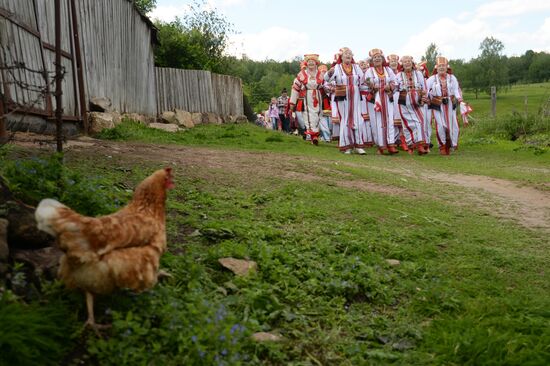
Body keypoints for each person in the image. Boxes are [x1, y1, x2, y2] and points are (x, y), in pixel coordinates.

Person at [324, 47, 366, 154]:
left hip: (355, 95)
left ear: (352, 56)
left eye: (350, 54)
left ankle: (358, 145)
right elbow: (326, 79)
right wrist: (329, 73)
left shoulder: (356, 67)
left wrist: (368, 86)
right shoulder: (337, 67)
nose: (348, 55)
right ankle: (347, 146)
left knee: (357, 119)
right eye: (345, 54)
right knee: (345, 119)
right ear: (341, 57)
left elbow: (363, 81)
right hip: (343, 95)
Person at [364, 48, 399, 154]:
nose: (377, 59)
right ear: (372, 60)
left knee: (389, 121)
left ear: (383, 59)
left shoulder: (388, 70)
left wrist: (390, 86)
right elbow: (366, 82)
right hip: (376, 99)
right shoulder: (369, 71)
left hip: (388, 98)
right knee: (378, 122)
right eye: (375, 58)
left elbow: (396, 82)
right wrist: (372, 86)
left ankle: (391, 144)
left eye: (379, 57)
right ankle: (381, 146)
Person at [426, 57, 464, 155]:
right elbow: (425, 90)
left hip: (450, 104)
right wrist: (425, 99)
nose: (441, 68)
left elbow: (456, 90)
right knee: (440, 125)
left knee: (452, 125)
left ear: (447, 67)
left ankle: (452, 144)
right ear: (436, 67)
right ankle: (442, 145)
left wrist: (460, 100)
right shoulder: (431, 79)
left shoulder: (452, 78)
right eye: (440, 66)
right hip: (437, 104)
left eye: (443, 66)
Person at [394, 55, 429, 155]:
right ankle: (411, 145)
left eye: (409, 61)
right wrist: (390, 87)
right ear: (402, 64)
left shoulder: (418, 73)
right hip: (404, 101)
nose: (407, 63)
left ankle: (419, 145)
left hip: (417, 101)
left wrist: (423, 98)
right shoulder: (398, 75)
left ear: (412, 62)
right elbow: (395, 88)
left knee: (420, 121)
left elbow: (424, 87)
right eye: (405, 62)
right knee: (407, 124)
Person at [290, 54, 324, 145]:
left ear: (316, 63)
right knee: (309, 115)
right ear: (306, 63)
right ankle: (313, 136)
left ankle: (315, 134)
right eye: (309, 62)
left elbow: (325, 86)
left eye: (313, 61)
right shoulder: (302, 74)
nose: (311, 63)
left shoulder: (320, 74)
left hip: (318, 96)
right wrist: (292, 102)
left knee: (318, 115)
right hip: (307, 97)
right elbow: (295, 88)